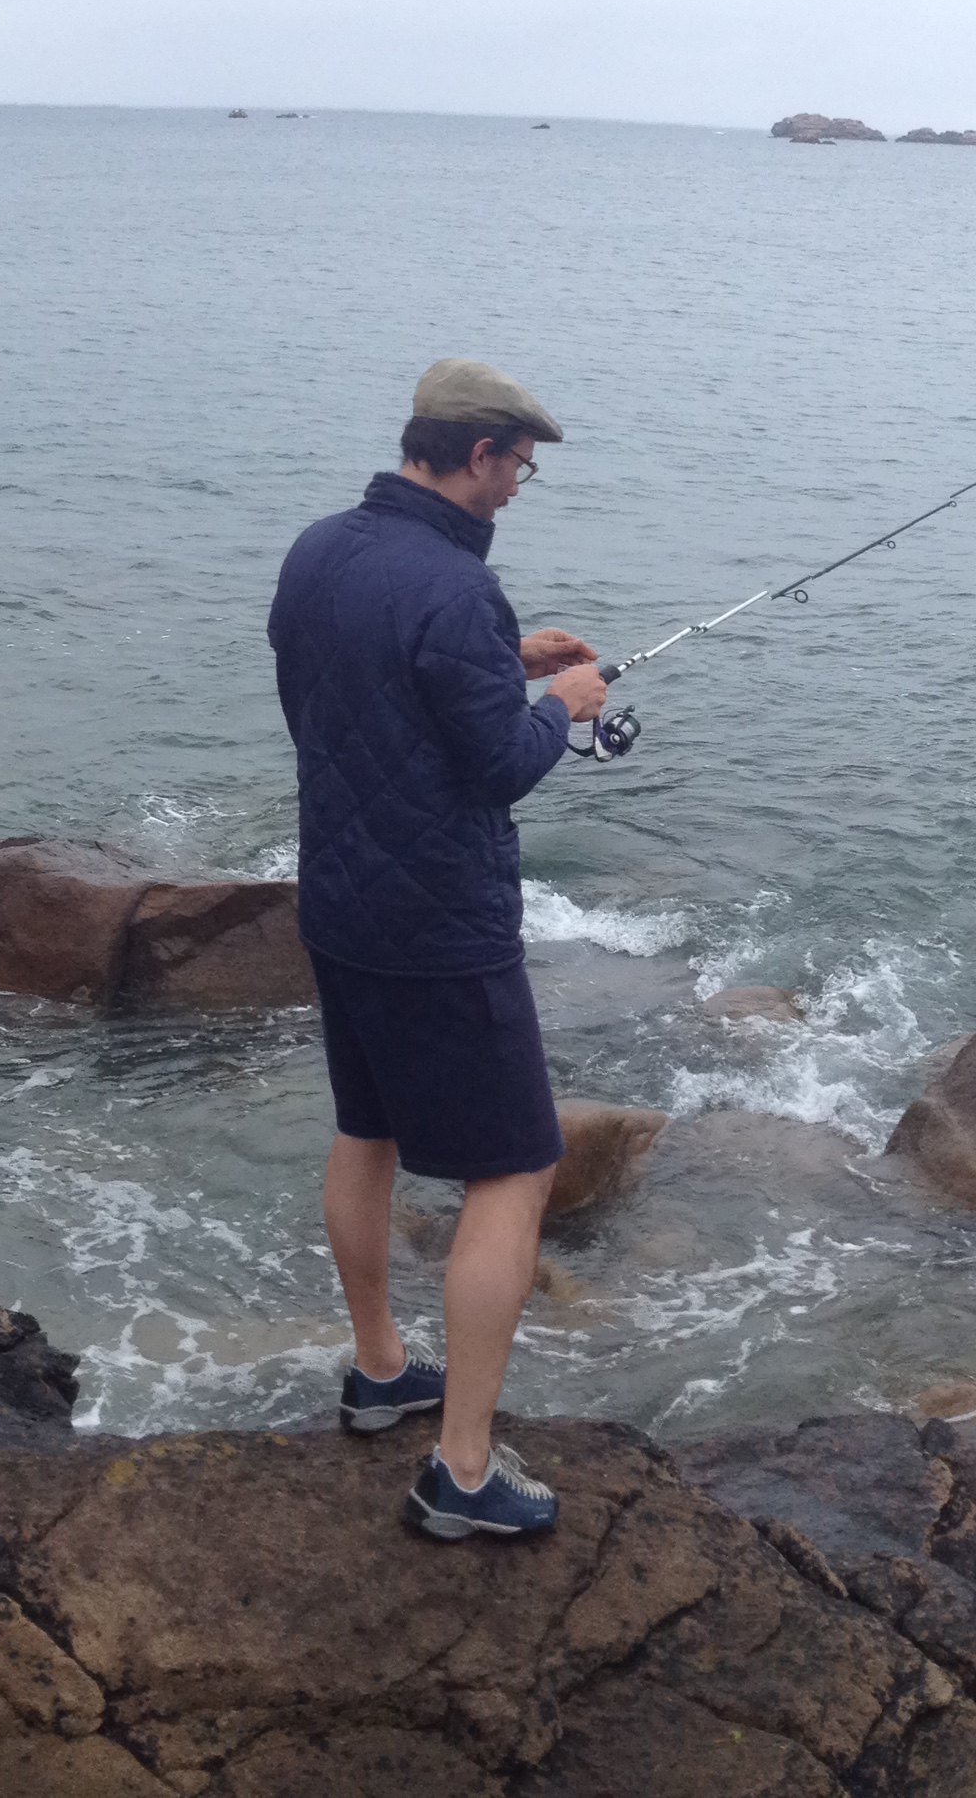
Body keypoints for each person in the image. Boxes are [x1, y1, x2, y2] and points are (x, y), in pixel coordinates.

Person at [270, 358, 614, 1542]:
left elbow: (344, 694)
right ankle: (462, 1471)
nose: (521, 484)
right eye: (520, 464)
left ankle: (379, 1369)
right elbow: (502, 767)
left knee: (365, 1130)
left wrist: (505, 669)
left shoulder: (321, 550)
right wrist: (561, 704)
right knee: (513, 1169)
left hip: (339, 907)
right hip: (441, 929)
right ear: (477, 453)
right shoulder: (458, 592)